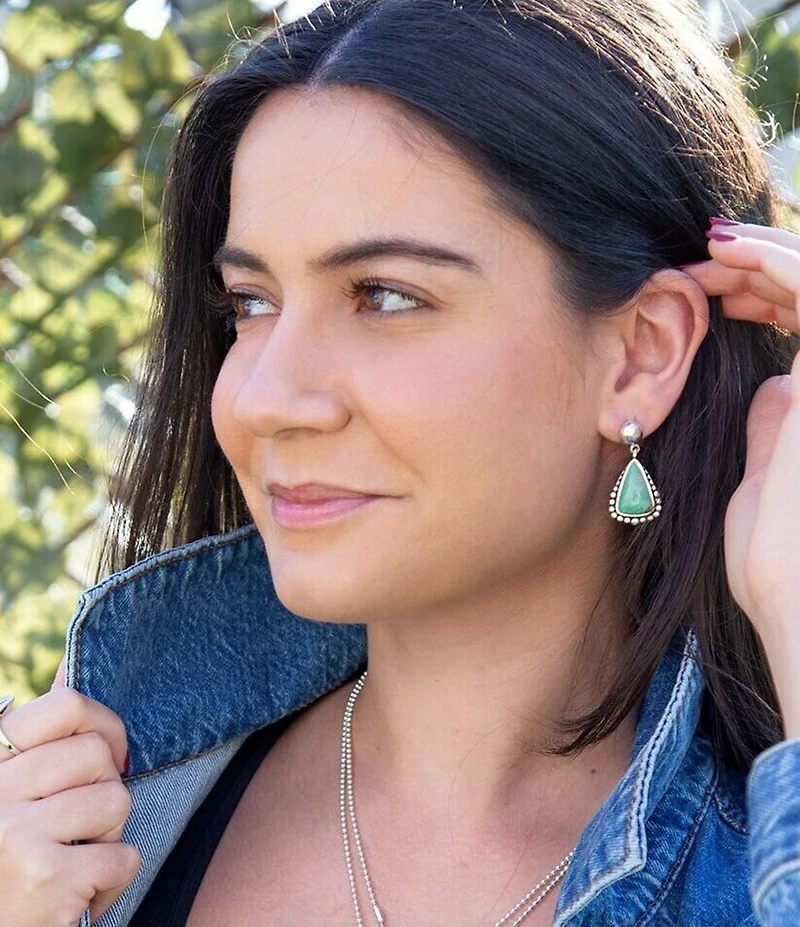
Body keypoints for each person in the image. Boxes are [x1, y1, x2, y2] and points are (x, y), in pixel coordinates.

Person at [1, 0, 800, 924]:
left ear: (641, 354)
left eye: (384, 296)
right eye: (250, 304)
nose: (263, 398)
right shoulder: (77, 826)